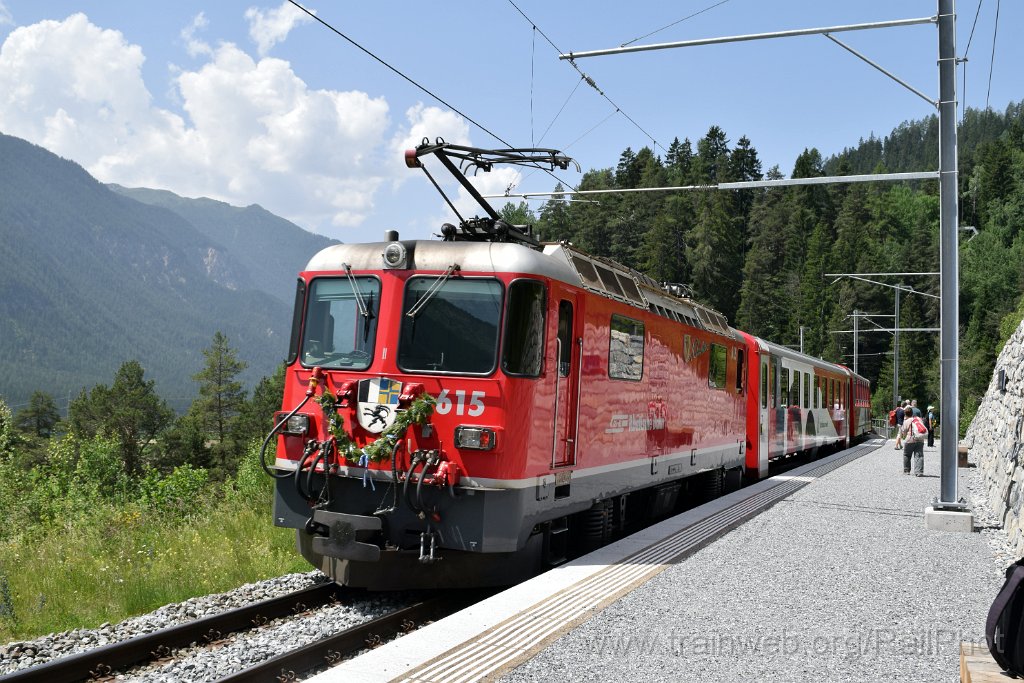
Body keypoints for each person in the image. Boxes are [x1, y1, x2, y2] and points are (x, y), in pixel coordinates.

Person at [900, 409, 928, 476]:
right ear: (912, 413)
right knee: (919, 456)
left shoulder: (906, 421)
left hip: (910, 440)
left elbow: (904, 432)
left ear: (905, 414)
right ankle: (919, 472)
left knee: (907, 455)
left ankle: (907, 471)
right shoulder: (918, 419)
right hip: (920, 439)